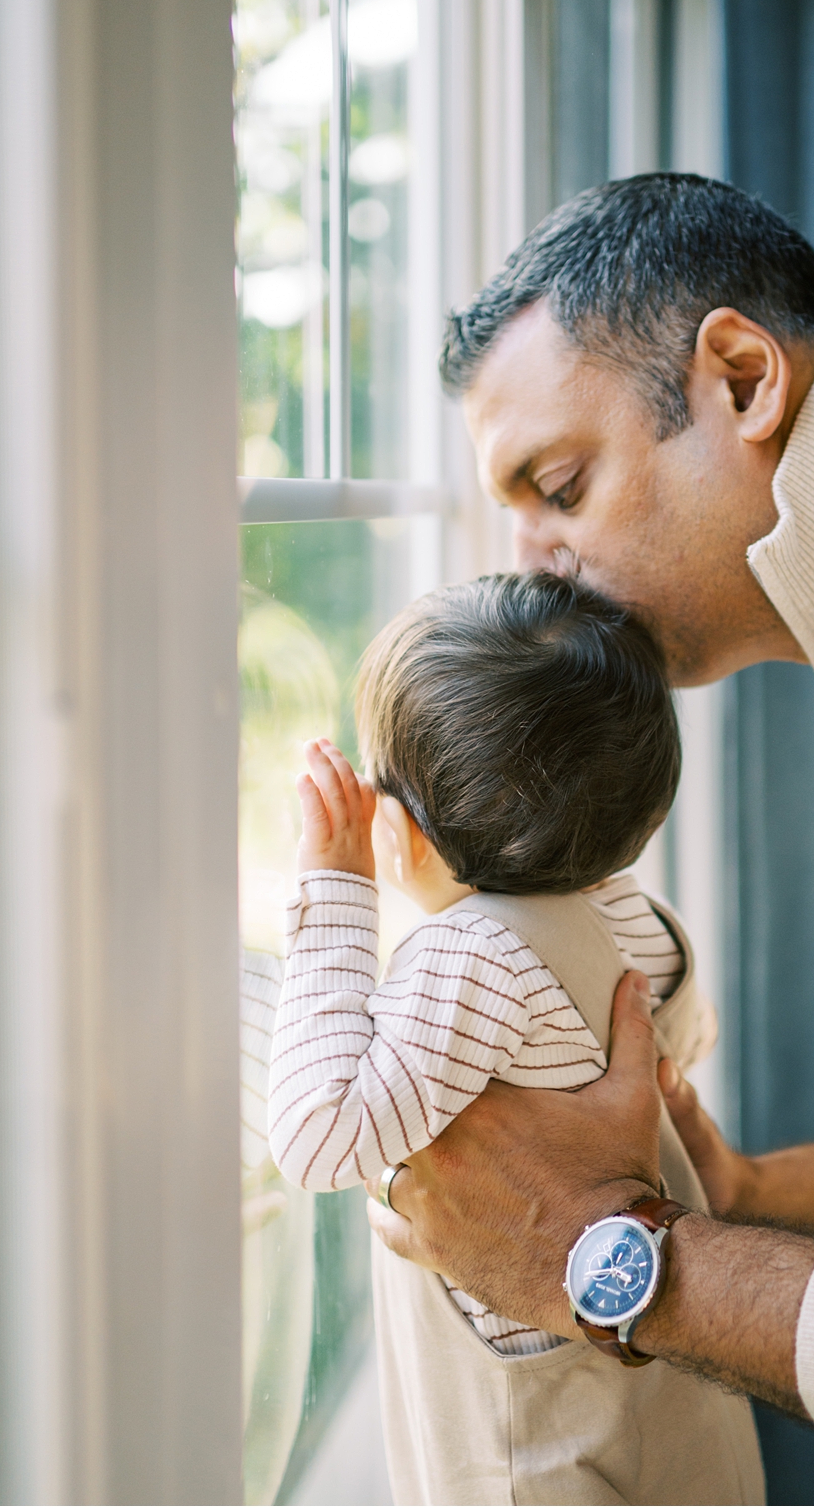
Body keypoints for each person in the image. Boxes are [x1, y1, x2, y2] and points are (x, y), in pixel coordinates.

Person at [365, 174, 814, 1506]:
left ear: (740, 377)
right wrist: (749, 1191)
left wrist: (616, 1254)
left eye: (560, 483)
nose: (535, 569)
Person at [267, 572, 764, 1505]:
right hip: (663, 1421)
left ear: (402, 830)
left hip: (536, 1457)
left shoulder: (470, 959)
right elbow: (677, 1029)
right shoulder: (621, 909)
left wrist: (336, 893)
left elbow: (316, 1136)